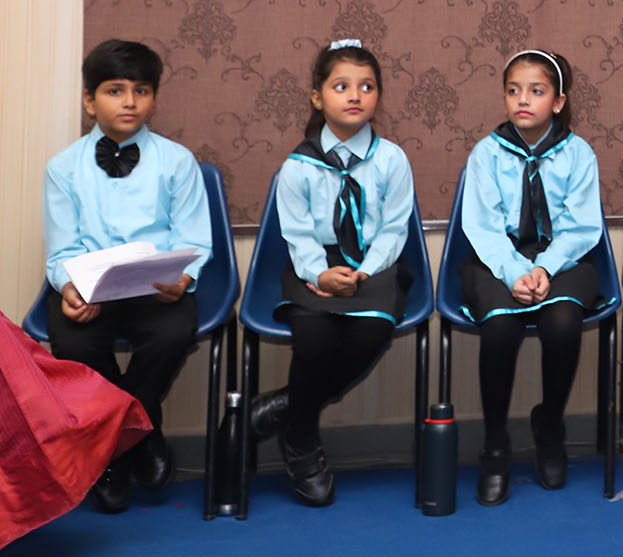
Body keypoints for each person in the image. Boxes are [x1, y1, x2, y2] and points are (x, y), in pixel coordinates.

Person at [41, 38, 210, 513]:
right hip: (91, 285)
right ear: (89, 100)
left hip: (154, 287)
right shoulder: (63, 169)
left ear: (154, 98)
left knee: (173, 334)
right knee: (73, 342)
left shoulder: (177, 162)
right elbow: (62, 248)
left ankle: (117, 442)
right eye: (115, 90)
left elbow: (194, 238)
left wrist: (183, 278)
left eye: (142, 90)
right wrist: (70, 287)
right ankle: (139, 432)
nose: (130, 102)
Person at [248, 38, 415, 506]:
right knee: (315, 340)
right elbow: (297, 234)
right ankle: (303, 440)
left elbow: (395, 228)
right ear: (317, 97)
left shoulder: (392, 159)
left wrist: (364, 272)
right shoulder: (297, 167)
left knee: (370, 334)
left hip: (375, 263)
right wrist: (319, 274)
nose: (355, 95)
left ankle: (287, 409)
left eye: (367, 86)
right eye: (341, 86)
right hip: (314, 266)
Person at [458, 48, 603, 504]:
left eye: (536, 91)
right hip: (497, 259)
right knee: (500, 328)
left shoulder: (579, 154)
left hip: (562, 259)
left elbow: (581, 228)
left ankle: (550, 425)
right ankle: (495, 443)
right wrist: (516, 271)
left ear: (558, 102)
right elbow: (482, 227)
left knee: (562, 323)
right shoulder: (486, 154)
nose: (523, 99)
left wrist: (543, 267)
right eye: (513, 90)